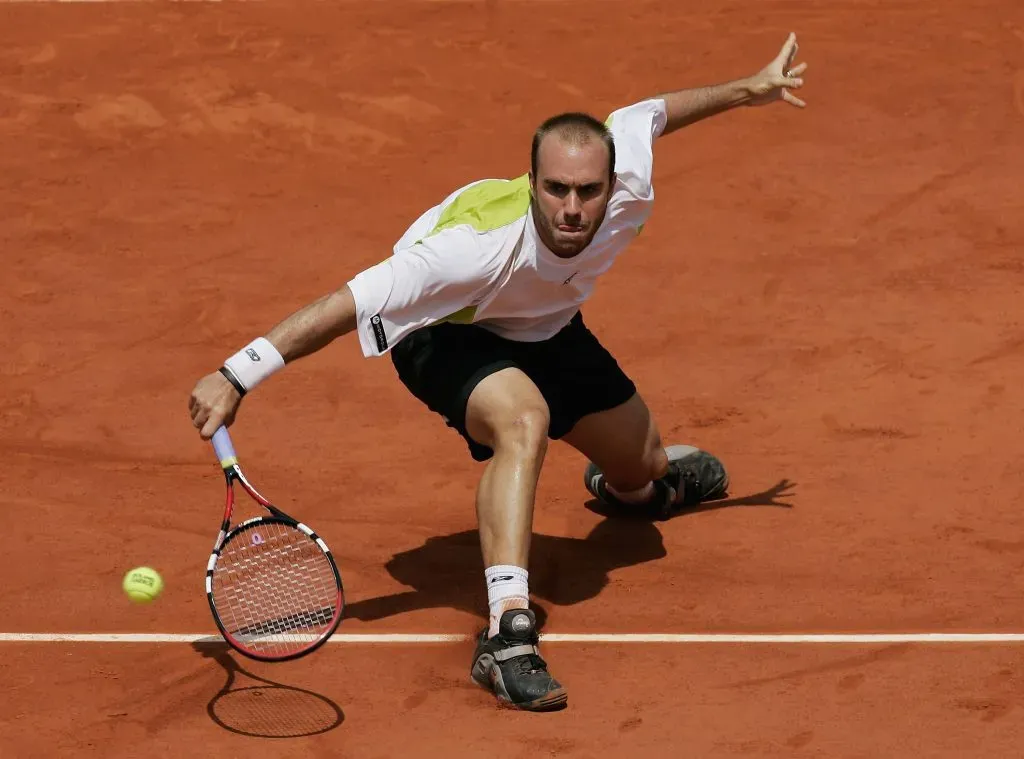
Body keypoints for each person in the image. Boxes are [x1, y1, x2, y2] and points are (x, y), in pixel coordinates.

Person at [189, 32, 808, 712]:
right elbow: (347, 304)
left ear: (611, 185)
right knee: (524, 420)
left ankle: (632, 487)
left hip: (545, 325)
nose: (571, 208)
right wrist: (236, 374)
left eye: (588, 191)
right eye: (555, 188)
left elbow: (650, 114)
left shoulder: (629, 180)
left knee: (645, 466)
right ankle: (507, 635)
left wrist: (750, 88)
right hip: (445, 332)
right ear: (532, 181)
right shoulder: (468, 249)